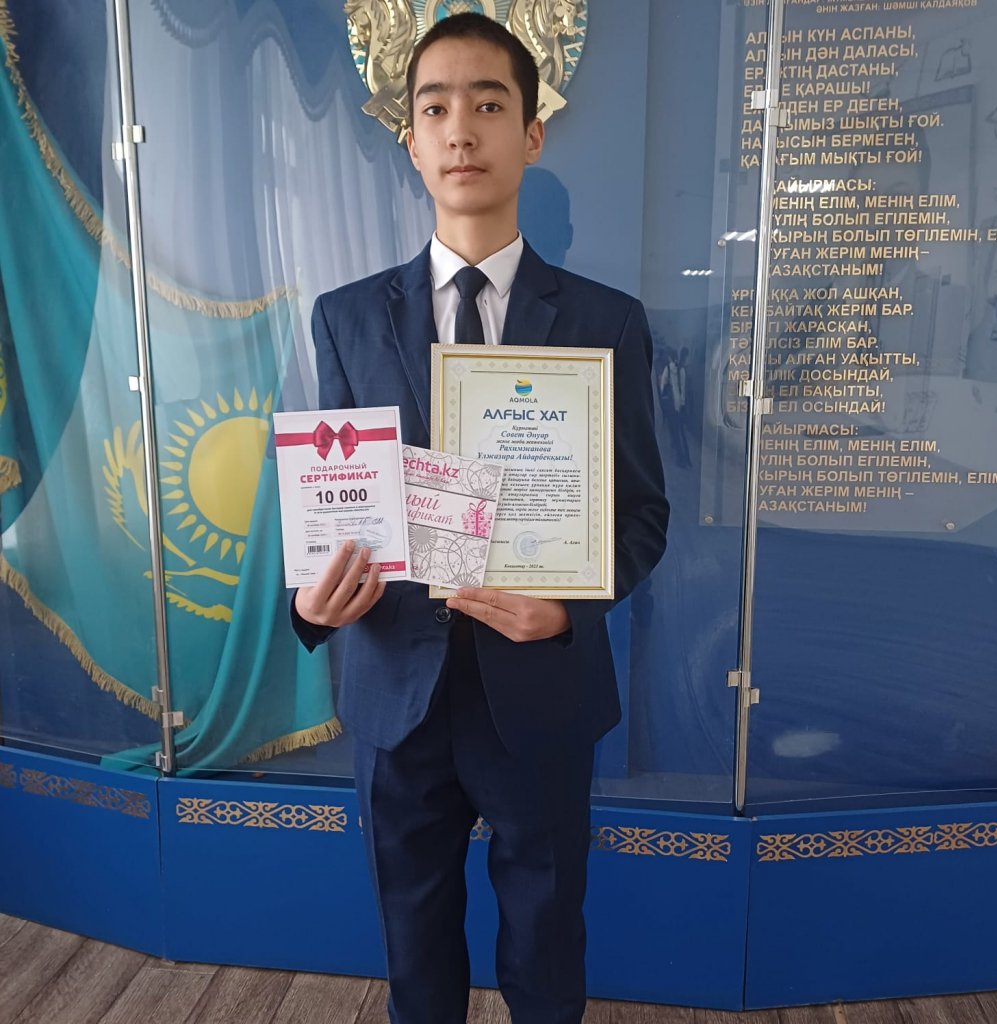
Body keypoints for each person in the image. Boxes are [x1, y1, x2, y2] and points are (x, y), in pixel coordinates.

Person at [290, 13, 668, 1023]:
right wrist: (311, 603)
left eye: (489, 104)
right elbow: (327, 500)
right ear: (410, 140)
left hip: (539, 684)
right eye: (435, 108)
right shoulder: (345, 318)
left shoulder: (605, 322)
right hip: (395, 687)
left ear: (531, 133)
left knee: (545, 942)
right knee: (412, 944)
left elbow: (642, 514)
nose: (461, 129)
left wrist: (570, 607)